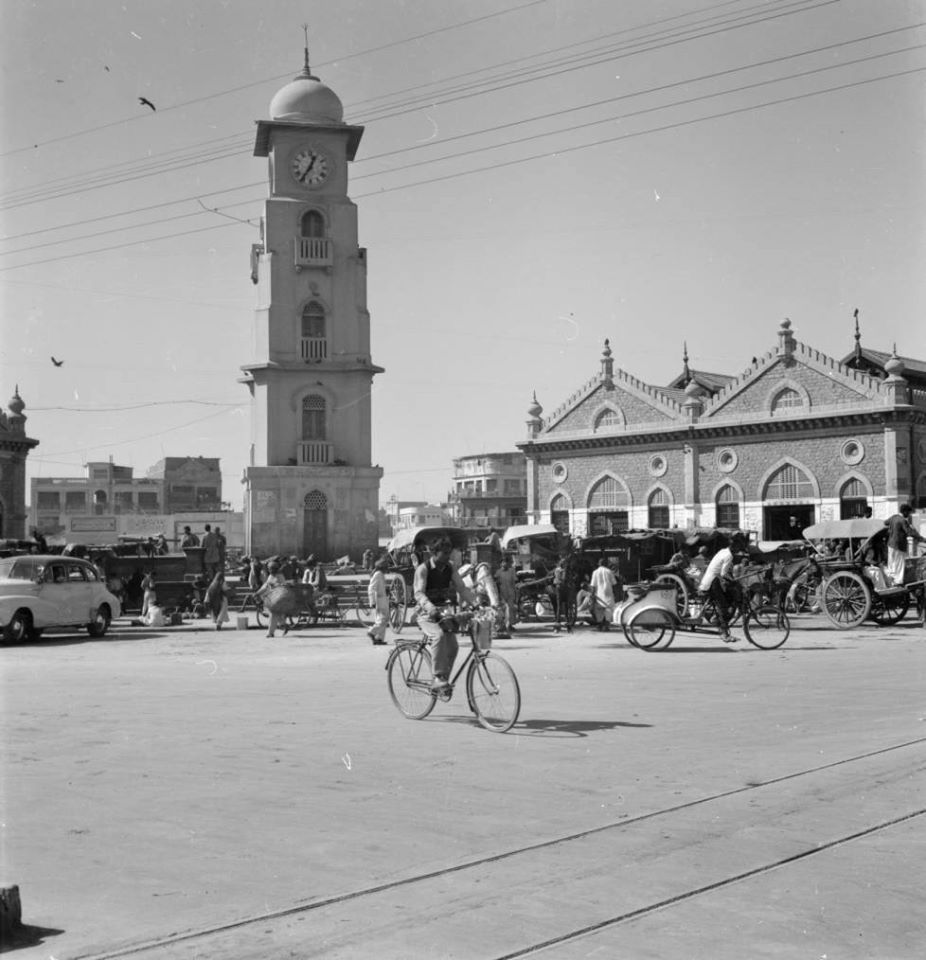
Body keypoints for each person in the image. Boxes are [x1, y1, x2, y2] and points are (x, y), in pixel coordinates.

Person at [413, 536, 476, 696]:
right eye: (445, 553)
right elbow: (419, 593)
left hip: (443, 612)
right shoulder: (424, 569)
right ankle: (438, 677)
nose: (448, 556)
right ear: (434, 553)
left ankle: (443, 682)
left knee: (453, 647)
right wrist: (430, 608)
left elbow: (461, 588)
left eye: (449, 553)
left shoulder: (450, 567)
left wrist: (476, 604)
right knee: (439, 636)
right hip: (426, 613)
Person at [699, 533, 747, 643]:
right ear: (734, 546)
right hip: (712, 583)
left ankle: (719, 622)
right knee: (723, 606)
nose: (739, 550)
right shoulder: (729, 555)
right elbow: (724, 574)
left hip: (710, 581)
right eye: (738, 547)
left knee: (727, 599)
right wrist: (734, 581)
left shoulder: (723, 551)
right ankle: (724, 634)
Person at [886, 503, 924, 586]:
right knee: (899, 563)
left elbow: (885, 523)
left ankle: (891, 581)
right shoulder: (903, 520)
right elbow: (909, 532)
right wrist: (922, 539)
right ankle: (898, 582)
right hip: (899, 545)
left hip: (890, 544)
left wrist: (893, 529)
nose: (909, 514)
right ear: (905, 511)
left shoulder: (894, 517)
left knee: (892, 563)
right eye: (908, 512)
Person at [256, 561, 288, 638]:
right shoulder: (270, 576)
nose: (270, 570)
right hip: (271, 599)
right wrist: (257, 593)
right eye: (269, 569)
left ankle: (270, 633)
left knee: (273, 615)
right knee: (276, 615)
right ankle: (283, 625)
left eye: (272, 569)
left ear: (276, 569)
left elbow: (283, 587)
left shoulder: (280, 576)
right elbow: (265, 586)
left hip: (279, 599)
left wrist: (275, 585)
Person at [589, 557, 617, 631]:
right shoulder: (609, 571)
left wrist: (592, 594)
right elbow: (614, 583)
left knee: (599, 609)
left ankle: (600, 624)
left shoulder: (595, 572)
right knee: (609, 609)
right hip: (608, 593)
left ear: (599, 564)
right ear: (606, 564)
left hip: (599, 593)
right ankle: (607, 625)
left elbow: (593, 585)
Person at [366, 558, 390, 645]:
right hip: (380, 600)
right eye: (386, 566)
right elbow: (371, 588)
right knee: (383, 620)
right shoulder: (378, 574)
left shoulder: (381, 574)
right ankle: (372, 632)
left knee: (382, 620)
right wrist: (372, 602)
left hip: (383, 599)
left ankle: (379, 638)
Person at [495, 556, 519, 633]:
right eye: (503, 562)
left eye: (505, 562)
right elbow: (496, 583)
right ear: (500, 564)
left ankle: (509, 625)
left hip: (511, 592)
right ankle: (505, 625)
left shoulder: (512, 571)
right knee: (504, 609)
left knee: (510, 609)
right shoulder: (498, 572)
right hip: (502, 593)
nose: (504, 564)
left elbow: (514, 582)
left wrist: (515, 593)